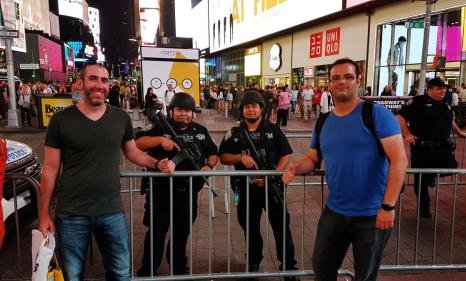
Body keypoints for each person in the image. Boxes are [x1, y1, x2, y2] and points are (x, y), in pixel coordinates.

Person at [38, 62, 176, 281]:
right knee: (72, 275)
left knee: (121, 273)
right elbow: (50, 169)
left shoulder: (120, 118)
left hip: (111, 211)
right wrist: (44, 213)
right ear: (80, 83)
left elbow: (133, 152)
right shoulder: (60, 120)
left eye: (104, 80)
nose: (99, 85)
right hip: (71, 213)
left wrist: (157, 164)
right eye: (93, 79)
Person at [282, 58, 407, 281]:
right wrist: (295, 168)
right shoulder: (323, 122)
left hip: (372, 214)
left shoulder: (376, 114)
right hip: (335, 211)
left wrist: (388, 207)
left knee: (365, 276)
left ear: (358, 80)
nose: (342, 82)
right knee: (322, 270)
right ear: (329, 84)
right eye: (336, 78)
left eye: (348, 77)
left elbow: (399, 160)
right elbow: (313, 158)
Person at [219, 90, 299, 281]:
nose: (251, 110)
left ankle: (289, 268)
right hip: (247, 189)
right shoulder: (235, 132)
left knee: (281, 228)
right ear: (242, 110)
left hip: (272, 189)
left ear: (261, 109)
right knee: (250, 228)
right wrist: (240, 157)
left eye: (254, 106)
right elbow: (223, 156)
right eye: (247, 107)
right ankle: (253, 263)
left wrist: (272, 177)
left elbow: (285, 155)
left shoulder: (273, 129)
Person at [136, 92, 218, 276]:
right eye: (180, 109)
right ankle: (148, 270)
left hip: (188, 192)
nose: (184, 114)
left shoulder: (200, 130)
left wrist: (209, 166)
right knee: (157, 232)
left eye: (188, 110)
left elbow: (213, 151)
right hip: (161, 191)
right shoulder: (159, 126)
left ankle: (179, 267)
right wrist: (160, 140)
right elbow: (137, 142)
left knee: (182, 232)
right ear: (171, 110)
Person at [396, 77, 466, 219]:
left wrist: (459, 132)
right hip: (423, 147)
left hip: (442, 146)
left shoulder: (444, 104)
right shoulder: (418, 102)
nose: (443, 91)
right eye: (439, 88)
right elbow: (400, 116)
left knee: (451, 167)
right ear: (429, 89)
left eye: (444, 88)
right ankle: (424, 207)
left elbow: (450, 120)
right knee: (420, 178)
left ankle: (430, 177)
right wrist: (407, 134)